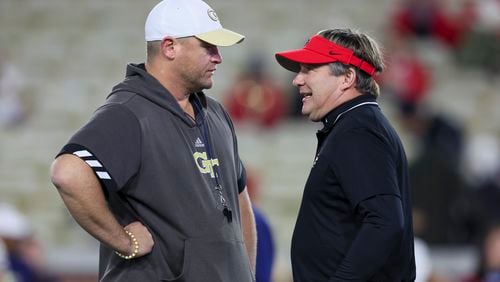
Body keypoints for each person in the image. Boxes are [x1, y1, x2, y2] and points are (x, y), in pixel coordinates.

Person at [49, 1, 256, 281]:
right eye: (208, 47)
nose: (218, 57)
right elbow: (68, 172)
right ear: (170, 47)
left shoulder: (215, 113)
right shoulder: (130, 111)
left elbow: (239, 199)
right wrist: (124, 241)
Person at [274, 28, 416, 281]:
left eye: (309, 69)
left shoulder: (358, 130)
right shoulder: (353, 124)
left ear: (347, 77)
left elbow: (385, 222)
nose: (297, 80)